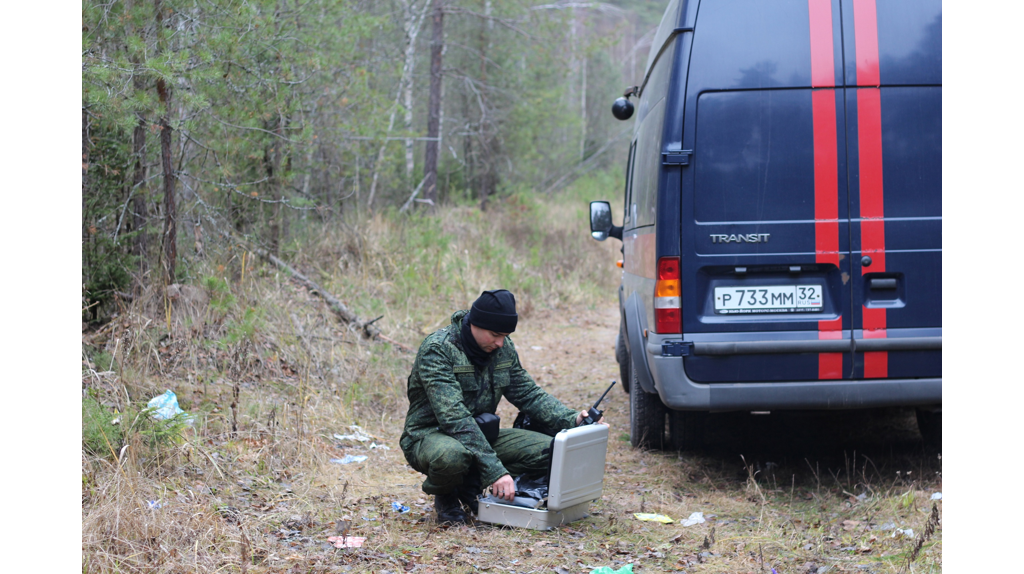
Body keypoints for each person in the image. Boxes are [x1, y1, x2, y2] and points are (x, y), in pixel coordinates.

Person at [399, 289, 608, 524]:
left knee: (553, 452)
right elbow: (454, 418)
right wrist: (495, 470)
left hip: (480, 436)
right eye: (495, 334)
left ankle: (472, 484)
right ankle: (447, 495)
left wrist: (572, 419)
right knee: (452, 456)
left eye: (505, 335)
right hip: (431, 436)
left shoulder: (502, 347)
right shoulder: (438, 350)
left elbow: (528, 394)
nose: (501, 343)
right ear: (474, 324)